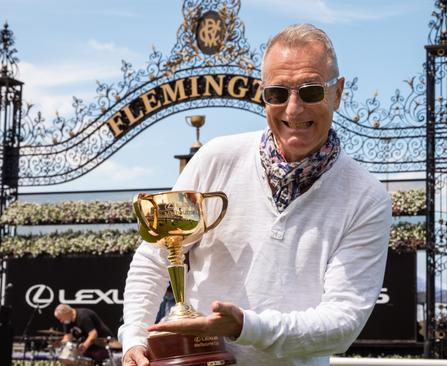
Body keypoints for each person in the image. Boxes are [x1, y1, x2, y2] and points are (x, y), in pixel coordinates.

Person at [118, 23, 392, 365]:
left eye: (310, 91)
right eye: (277, 93)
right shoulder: (216, 158)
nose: (293, 109)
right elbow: (155, 257)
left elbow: (343, 322)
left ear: (337, 93)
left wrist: (246, 327)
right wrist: (134, 338)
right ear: (263, 94)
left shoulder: (366, 197)